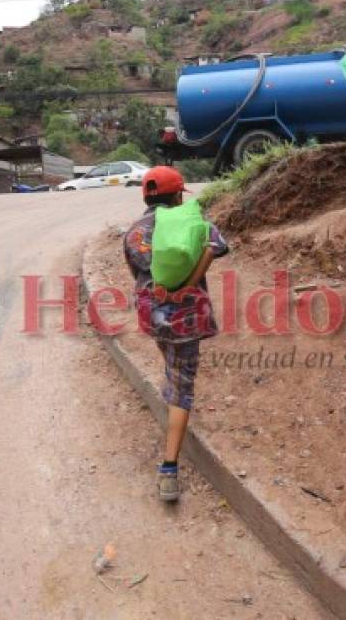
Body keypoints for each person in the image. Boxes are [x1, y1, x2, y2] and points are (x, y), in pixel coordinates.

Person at [123, 166, 229, 502]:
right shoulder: (193, 222)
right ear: (178, 195)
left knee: (171, 363)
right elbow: (219, 245)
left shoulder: (133, 232)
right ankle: (169, 469)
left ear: (145, 195)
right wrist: (189, 284)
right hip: (186, 316)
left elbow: (136, 271)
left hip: (151, 312)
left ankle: (172, 391)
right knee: (183, 387)